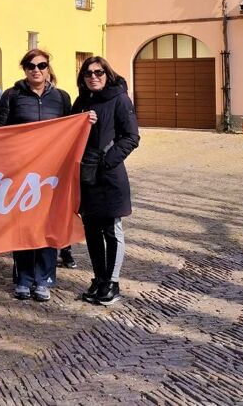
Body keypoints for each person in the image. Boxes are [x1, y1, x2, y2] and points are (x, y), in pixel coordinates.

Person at [0, 49, 94, 302]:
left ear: (48, 68)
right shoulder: (12, 95)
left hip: (52, 174)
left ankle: (43, 279)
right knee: (24, 225)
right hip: (22, 173)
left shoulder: (61, 97)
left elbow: (70, 129)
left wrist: (86, 120)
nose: (36, 70)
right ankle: (24, 278)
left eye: (41, 65)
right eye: (30, 65)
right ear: (24, 69)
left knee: (48, 224)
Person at [72, 56, 140, 306]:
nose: (93, 77)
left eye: (98, 72)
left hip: (109, 175)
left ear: (107, 74)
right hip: (86, 176)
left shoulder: (120, 99)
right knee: (91, 230)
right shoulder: (80, 102)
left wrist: (106, 161)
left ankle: (112, 281)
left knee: (111, 229)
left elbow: (131, 137)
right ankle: (99, 278)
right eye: (88, 73)